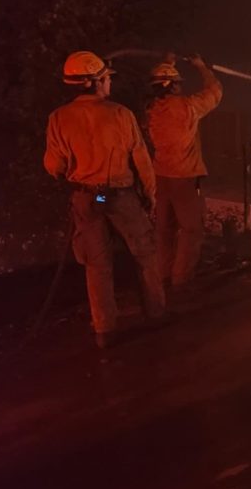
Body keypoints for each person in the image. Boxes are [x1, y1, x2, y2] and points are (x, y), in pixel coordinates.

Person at [44, 51, 166, 348]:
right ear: (94, 82)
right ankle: (156, 314)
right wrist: (150, 195)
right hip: (120, 195)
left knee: (97, 264)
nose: (109, 83)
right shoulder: (120, 114)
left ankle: (104, 330)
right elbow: (142, 160)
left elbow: (53, 166)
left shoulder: (58, 118)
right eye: (106, 79)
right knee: (145, 254)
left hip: (87, 197)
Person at [145, 54, 223, 289]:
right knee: (191, 230)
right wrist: (201, 67)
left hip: (160, 177)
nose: (180, 87)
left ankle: (162, 277)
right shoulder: (187, 107)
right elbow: (215, 92)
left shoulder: (151, 109)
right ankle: (181, 280)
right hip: (185, 179)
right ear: (172, 85)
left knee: (164, 230)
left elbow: (161, 85)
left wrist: (168, 64)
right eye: (177, 83)